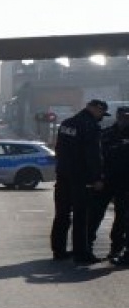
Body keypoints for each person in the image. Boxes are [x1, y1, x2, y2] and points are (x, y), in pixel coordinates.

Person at [49, 98, 109, 264]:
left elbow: (58, 148)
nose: (101, 117)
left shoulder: (67, 123)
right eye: (102, 113)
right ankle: (81, 254)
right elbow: (93, 155)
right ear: (95, 109)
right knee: (81, 216)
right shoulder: (90, 126)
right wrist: (97, 177)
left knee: (62, 214)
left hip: (63, 175)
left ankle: (58, 250)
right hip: (81, 178)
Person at [100, 106, 129, 264]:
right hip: (108, 181)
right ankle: (115, 248)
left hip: (126, 183)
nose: (125, 119)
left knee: (123, 218)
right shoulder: (107, 133)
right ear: (118, 116)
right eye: (123, 116)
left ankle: (122, 250)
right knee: (96, 214)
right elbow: (99, 155)